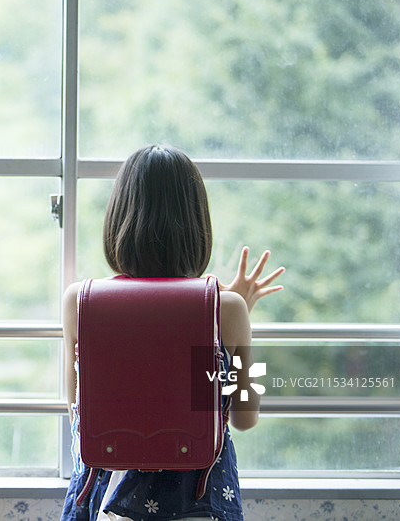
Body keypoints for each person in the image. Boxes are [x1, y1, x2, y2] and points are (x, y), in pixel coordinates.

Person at [61, 144, 284, 521]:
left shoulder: (80, 301)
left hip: (105, 502)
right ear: (198, 224)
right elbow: (245, 417)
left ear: (118, 220)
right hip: (195, 504)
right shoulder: (226, 310)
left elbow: (78, 412)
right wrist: (236, 321)